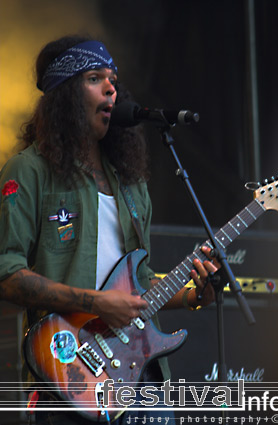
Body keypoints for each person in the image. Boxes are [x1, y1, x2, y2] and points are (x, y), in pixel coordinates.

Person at [0, 35, 218, 425]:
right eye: (94, 77)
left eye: (113, 78)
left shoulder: (131, 185)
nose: (111, 87)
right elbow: (7, 275)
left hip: (140, 382)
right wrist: (96, 303)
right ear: (64, 94)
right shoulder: (28, 172)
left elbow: (140, 284)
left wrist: (190, 296)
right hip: (68, 375)